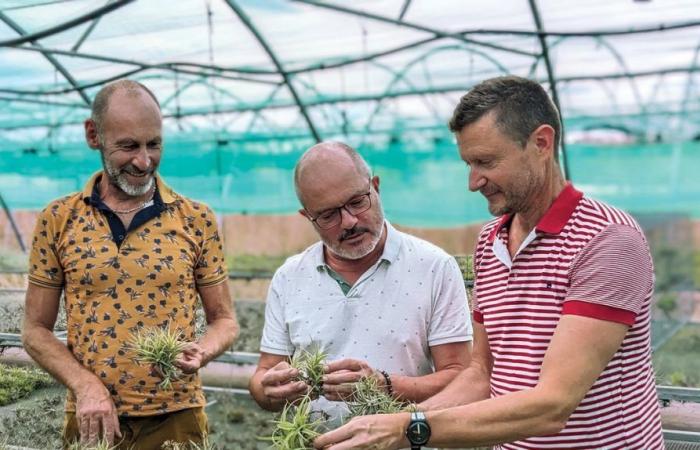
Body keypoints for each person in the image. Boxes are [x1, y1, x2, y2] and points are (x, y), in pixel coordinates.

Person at [314, 76, 664, 449]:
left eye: (486, 161)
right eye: (468, 162)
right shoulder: (490, 241)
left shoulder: (607, 240)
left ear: (541, 143)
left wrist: (409, 429)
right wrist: (407, 423)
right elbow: (481, 372)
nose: (473, 181)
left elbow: (554, 405)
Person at [23, 79, 239, 449]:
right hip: (92, 418)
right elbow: (34, 330)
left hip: (176, 416)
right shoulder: (58, 219)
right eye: (128, 146)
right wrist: (85, 385)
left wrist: (202, 350)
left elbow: (226, 320)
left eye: (153, 144)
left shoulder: (196, 218)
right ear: (94, 135)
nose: (144, 161)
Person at [248, 141, 473, 426]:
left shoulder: (434, 267)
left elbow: (461, 376)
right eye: (329, 215)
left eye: (357, 202)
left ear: (376, 187)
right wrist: (267, 390)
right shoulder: (289, 277)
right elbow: (263, 375)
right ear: (308, 216)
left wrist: (384, 385)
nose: (349, 221)